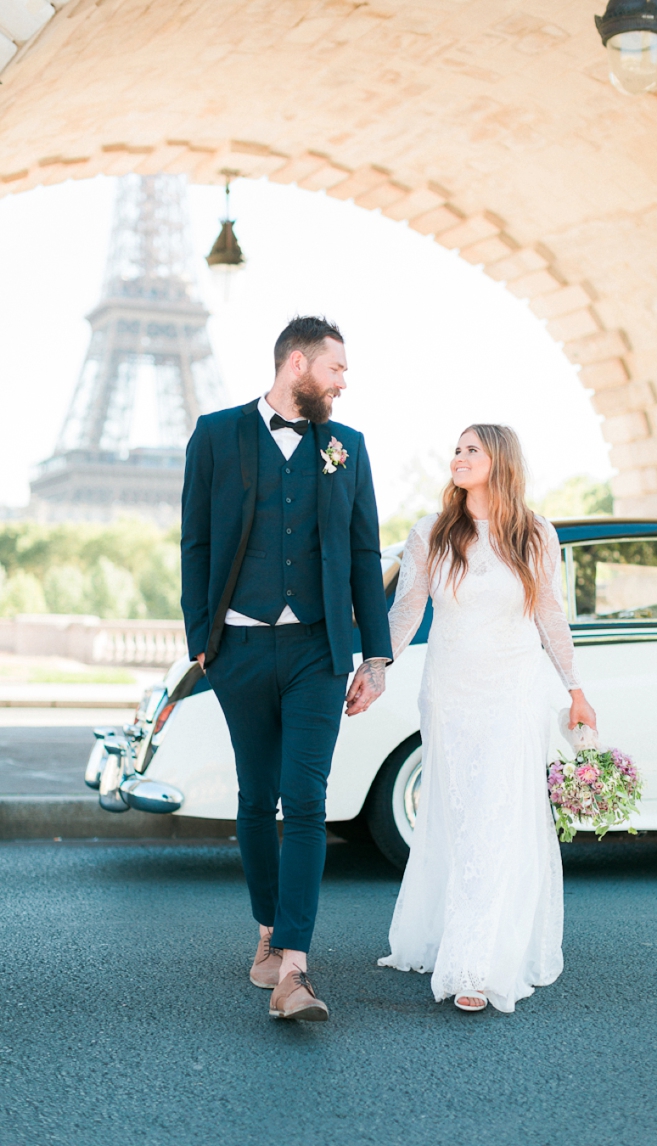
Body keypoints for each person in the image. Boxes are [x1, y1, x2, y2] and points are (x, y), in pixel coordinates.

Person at [181, 316, 392, 1022]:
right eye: (335, 369)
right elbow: (196, 541)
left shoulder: (347, 447)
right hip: (238, 649)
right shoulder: (216, 434)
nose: (342, 382)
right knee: (255, 797)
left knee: (306, 798)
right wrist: (199, 642)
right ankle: (268, 926)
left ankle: (293, 964)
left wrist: (377, 653)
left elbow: (365, 555)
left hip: (316, 652)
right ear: (296, 364)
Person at [378, 423, 597, 1013]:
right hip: (448, 694)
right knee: (457, 815)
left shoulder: (535, 534)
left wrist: (574, 687)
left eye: (471, 449)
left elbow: (550, 614)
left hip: (512, 693)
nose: (457, 457)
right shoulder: (432, 532)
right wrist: (376, 670)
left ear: (500, 461)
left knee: (495, 819)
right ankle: (448, 934)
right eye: (455, 448)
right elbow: (405, 613)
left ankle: (476, 966)